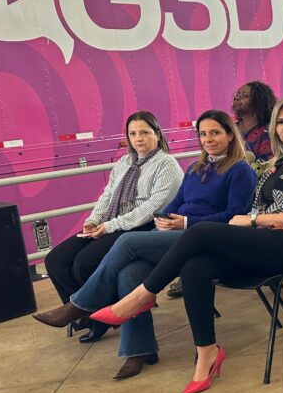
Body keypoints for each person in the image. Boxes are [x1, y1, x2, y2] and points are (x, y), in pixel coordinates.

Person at [90, 98, 283, 393]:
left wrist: (258, 219)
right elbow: (256, 207)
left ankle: (144, 294)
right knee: (196, 267)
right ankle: (206, 353)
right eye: (281, 122)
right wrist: (261, 219)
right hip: (266, 241)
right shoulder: (276, 165)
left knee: (203, 231)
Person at [33, 111, 256, 379]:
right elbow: (175, 203)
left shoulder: (240, 171)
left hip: (207, 237)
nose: (208, 139)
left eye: (215, 133)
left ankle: (81, 305)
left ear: (230, 135)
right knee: (130, 274)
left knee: (126, 241)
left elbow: (234, 215)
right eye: (203, 134)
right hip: (174, 233)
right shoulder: (196, 168)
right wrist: (164, 219)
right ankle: (140, 350)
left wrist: (185, 222)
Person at [43, 112, 184, 342]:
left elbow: (150, 209)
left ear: (158, 135)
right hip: (112, 221)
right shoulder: (124, 162)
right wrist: (93, 220)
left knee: (84, 263)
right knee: (55, 260)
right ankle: (88, 316)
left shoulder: (167, 165)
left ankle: (96, 318)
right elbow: (107, 196)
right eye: (133, 134)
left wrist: (109, 226)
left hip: (142, 226)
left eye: (145, 133)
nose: (138, 139)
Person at [232, 81, 277, 163]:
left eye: (245, 96)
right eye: (238, 94)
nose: (237, 98)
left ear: (259, 102)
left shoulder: (271, 130)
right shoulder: (230, 129)